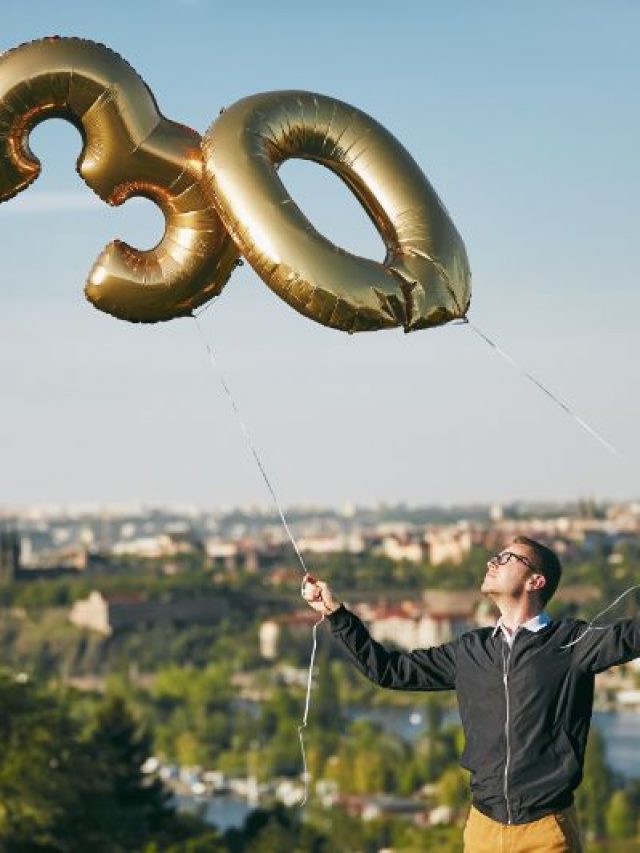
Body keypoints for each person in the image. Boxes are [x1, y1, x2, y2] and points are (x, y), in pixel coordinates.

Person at [302, 536, 640, 853]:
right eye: (496, 556)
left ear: (535, 582)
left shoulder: (572, 643)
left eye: (507, 557)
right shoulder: (470, 650)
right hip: (482, 829)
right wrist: (336, 614)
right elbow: (388, 670)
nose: (493, 561)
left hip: (545, 831)